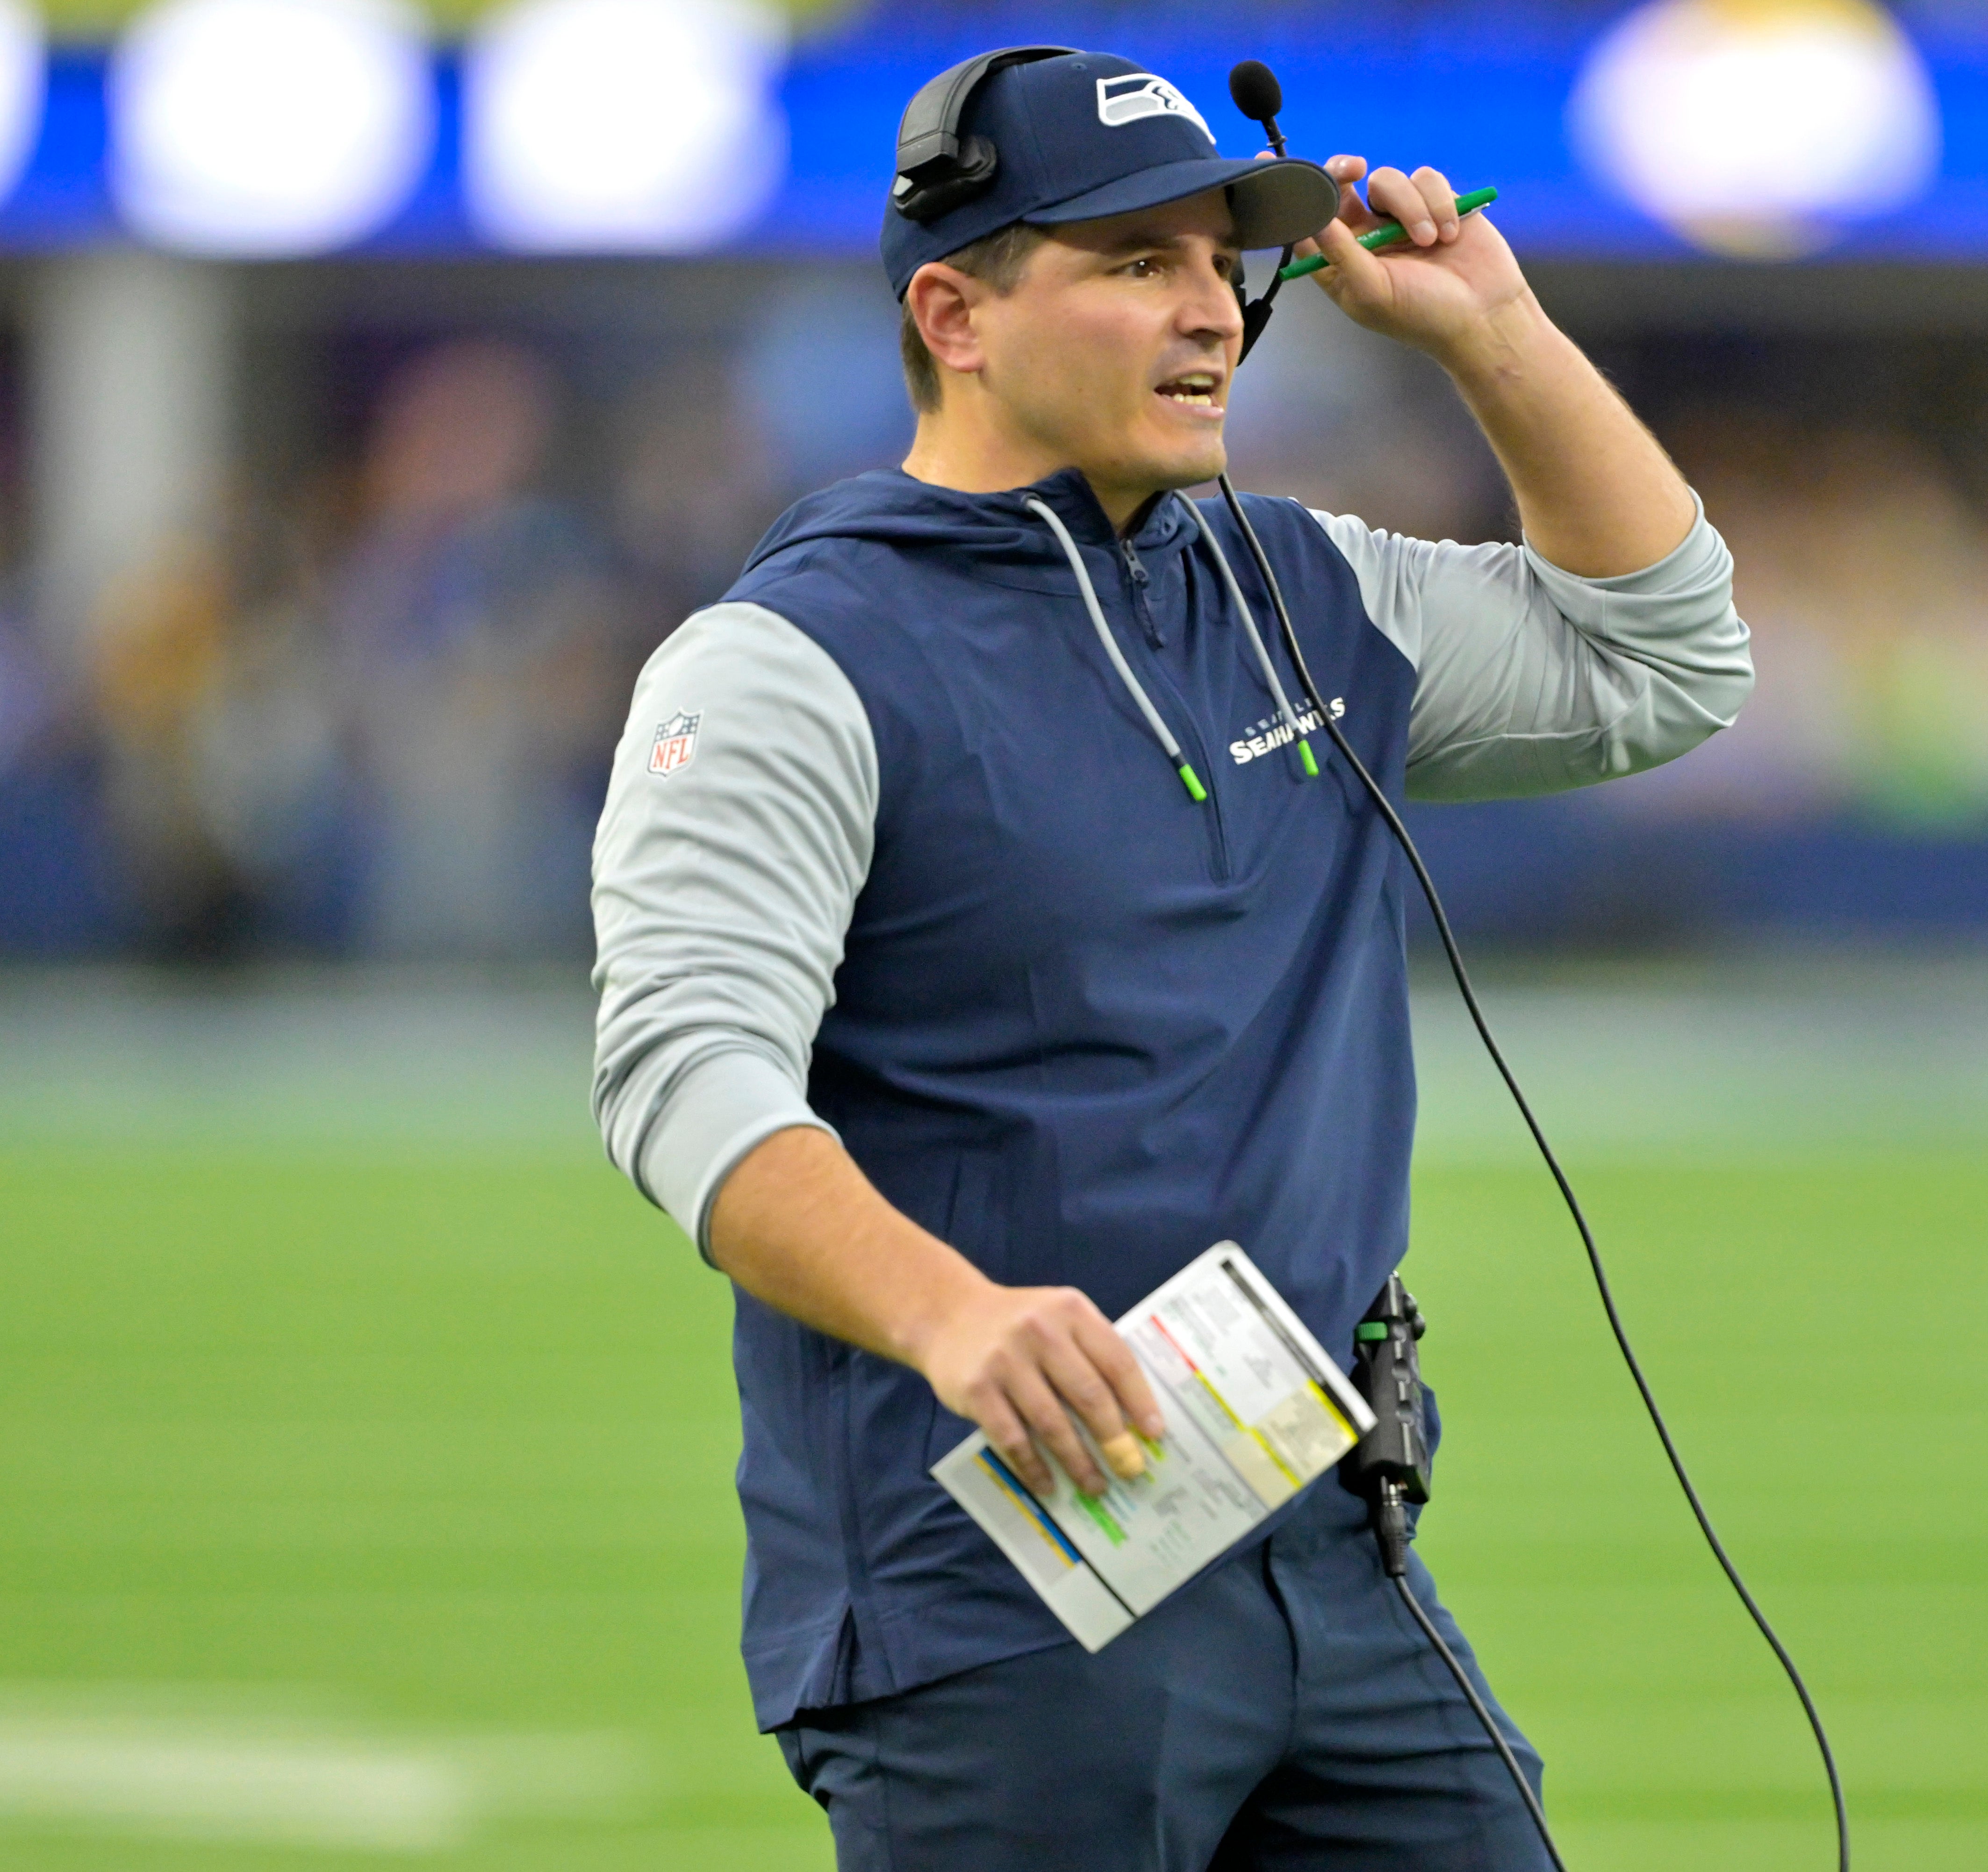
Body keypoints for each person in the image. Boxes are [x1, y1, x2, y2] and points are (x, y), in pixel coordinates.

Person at [589, 47, 1750, 1871]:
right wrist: (950, 1312)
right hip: (996, 1591)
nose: (1210, 309)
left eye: (1221, 263)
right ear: (953, 316)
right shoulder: (785, 662)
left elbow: (1660, 662)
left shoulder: (1305, 586)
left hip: (1329, 1541)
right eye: (1135, 262)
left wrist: (1494, 336)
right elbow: (684, 1074)